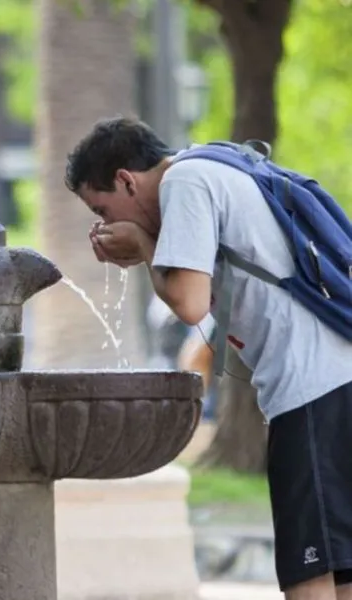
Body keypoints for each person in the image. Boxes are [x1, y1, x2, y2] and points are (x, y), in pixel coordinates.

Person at [64, 116, 352, 600]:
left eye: (102, 208)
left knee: (309, 576)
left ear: (126, 180)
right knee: (341, 569)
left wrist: (141, 244)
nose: (105, 224)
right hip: (338, 375)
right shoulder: (220, 163)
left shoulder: (185, 180)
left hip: (312, 389)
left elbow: (189, 301)